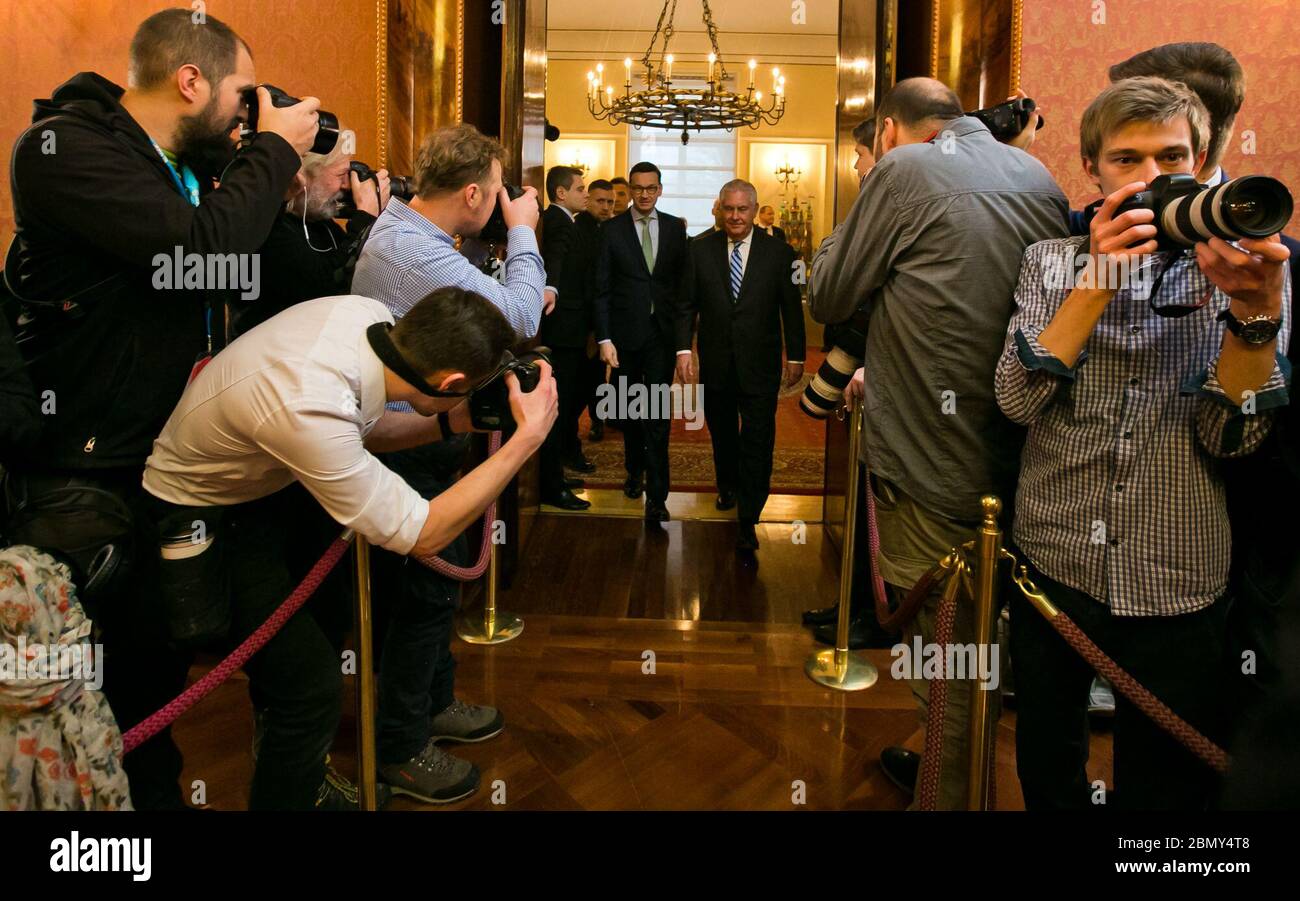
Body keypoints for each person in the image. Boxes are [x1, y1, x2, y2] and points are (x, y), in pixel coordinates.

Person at [2, 8, 320, 810]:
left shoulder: (171, 165)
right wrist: (276, 149)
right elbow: (202, 252)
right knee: (95, 719)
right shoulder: (67, 149)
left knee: (151, 699)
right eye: (243, 95)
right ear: (191, 81)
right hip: (88, 477)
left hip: (162, 466)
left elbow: (222, 268)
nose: (251, 114)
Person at [995, 76, 1291, 810]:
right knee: (1047, 767)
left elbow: (1233, 438)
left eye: (1171, 158)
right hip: (1055, 561)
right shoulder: (1050, 262)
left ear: (1200, 164)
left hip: (1178, 575)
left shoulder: (1242, 269)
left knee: (1167, 786)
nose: (1152, 179)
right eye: (1127, 159)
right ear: (1091, 169)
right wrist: (1097, 280)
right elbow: (1017, 397)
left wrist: (1254, 315)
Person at [142, 287, 557, 809]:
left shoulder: (369, 320)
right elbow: (424, 531)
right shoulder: (308, 401)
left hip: (263, 489)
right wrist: (525, 442)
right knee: (308, 688)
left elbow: (360, 427)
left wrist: (452, 420)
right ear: (450, 383)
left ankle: (302, 775)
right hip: (202, 515)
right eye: (465, 393)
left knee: (315, 646)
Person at [808, 77, 1069, 808]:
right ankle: (952, 768)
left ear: (889, 129)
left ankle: (948, 789)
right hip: (1015, 446)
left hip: (927, 449)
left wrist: (863, 199)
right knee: (980, 643)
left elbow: (827, 293)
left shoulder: (903, 167)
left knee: (943, 647)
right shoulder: (1035, 172)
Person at [1102, 42, 1300, 714]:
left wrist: (1257, 309)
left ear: (1201, 138)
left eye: (1162, 146)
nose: (1141, 163)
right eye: (1122, 149)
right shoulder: (1080, 241)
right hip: (1094, 555)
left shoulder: (1276, 259)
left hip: (1241, 556)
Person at [351, 124, 547, 803]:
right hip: (409, 443)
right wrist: (524, 232)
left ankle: (433, 704)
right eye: (497, 194)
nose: (502, 203)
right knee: (422, 597)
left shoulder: (419, 237)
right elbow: (519, 317)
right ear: (473, 193)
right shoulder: (412, 249)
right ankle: (402, 745)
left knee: (433, 600)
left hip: (428, 429)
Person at [676, 180, 804, 552]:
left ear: (754, 208)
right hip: (715, 364)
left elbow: (791, 310)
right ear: (719, 208)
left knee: (758, 440)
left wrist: (795, 356)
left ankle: (750, 516)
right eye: (728, 209)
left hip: (760, 365)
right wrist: (684, 351)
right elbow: (686, 304)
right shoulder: (698, 250)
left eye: (742, 209)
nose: (735, 216)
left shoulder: (781, 253)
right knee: (723, 435)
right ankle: (727, 485)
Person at [593, 161, 690, 523]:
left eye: (651, 188)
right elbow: (600, 289)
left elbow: (683, 293)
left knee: (658, 414)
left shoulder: (675, 229)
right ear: (629, 190)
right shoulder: (612, 231)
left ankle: (657, 496)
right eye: (638, 188)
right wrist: (604, 338)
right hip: (624, 337)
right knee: (631, 412)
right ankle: (634, 470)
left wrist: (683, 345)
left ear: (660, 190)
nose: (645, 194)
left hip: (661, 337)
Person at [234, 141, 391, 335]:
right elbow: (324, 289)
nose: (346, 185)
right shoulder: (271, 229)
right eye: (341, 175)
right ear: (305, 175)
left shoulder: (320, 224)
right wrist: (365, 215)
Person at [539, 165, 595, 509]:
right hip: (563, 330)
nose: (585, 193)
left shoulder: (569, 220)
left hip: (572, 328)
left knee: (567, 405)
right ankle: (551, 485)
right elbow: (554, 260)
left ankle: (556, 474)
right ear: (562, 193)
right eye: (581, 188)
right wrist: (551, 288)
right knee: (557, 409)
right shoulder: (558, 222)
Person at [582, 178, 616, 441]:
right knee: (591, 375)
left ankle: (616, 415)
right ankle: (596, 419)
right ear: (588, 200)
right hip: (587, 318)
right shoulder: (578, 229)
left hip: (616, 314)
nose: (605, 207)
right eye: (600, 201)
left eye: (610, 202)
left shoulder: (617, 230)